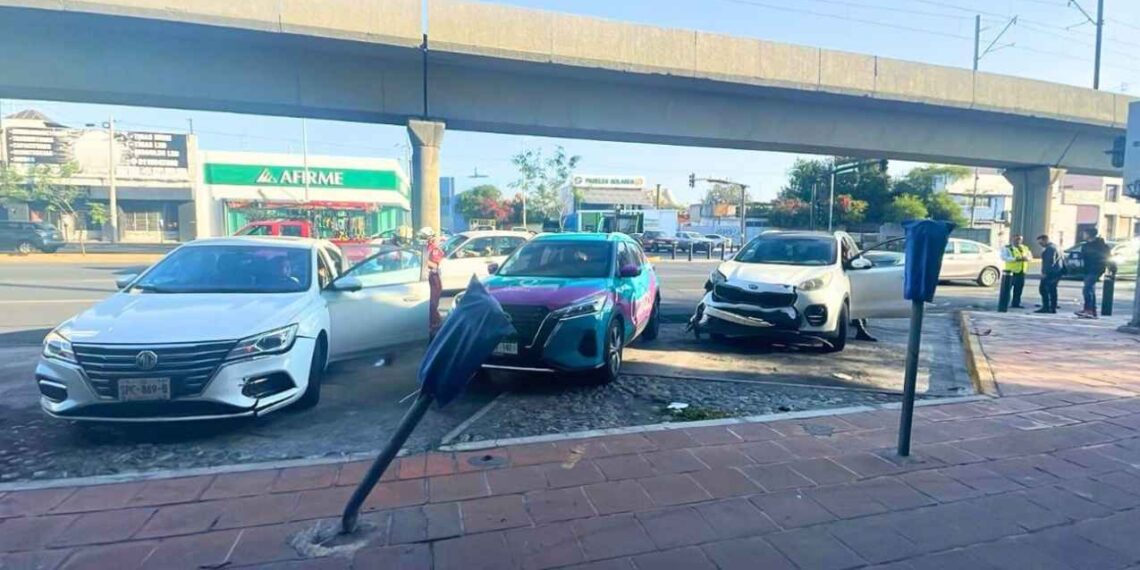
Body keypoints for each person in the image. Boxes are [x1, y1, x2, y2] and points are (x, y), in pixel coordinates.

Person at [1076, 228, 1112, 319]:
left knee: (1087, 289)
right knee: (1090, 289)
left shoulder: (1101, 245)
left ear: (1089, 234)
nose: (1083, 235)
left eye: (1085, 233)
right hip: (1087, 269)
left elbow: (1107, 257)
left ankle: (1089, 310)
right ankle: (1091, 310)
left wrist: (1109, 268)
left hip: (1096, 269)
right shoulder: (1086, 245)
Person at [422, 227, 445, 336]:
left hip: (434, 278)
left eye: (423, 237)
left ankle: (437, 327)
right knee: (427, 306)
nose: (421, 239)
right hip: (426, 278)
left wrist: (423, 260)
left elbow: (435, 265)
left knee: (432, 304)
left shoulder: (435, 249)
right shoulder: (424, 248)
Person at [1000, 235, 1033, 309]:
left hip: (1021, 272)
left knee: (1018, 289)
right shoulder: (1007, 248)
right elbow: (1004, 257)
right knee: (1007, 289)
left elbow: (1030, 257)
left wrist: (1026, 258)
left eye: (1020, 239)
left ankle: (1016, 303)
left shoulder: (1025, 248)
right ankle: (1004, 303)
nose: (1018, 241)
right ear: (1012, 239)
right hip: (1010, 272)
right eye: (1016, 239)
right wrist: (1015, 259)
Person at [1035, 234, 1063, 314]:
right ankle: (1052, 307)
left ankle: (1046, 307)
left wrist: (1045, 273)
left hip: (1050, 273)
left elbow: (1049, 262)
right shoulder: (1056, 247)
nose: (1040, 245)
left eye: (1041, 243)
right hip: (1057, 272)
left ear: (1045, 240)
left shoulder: (1050, 249)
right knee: (1052, 290)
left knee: (1043, 289)